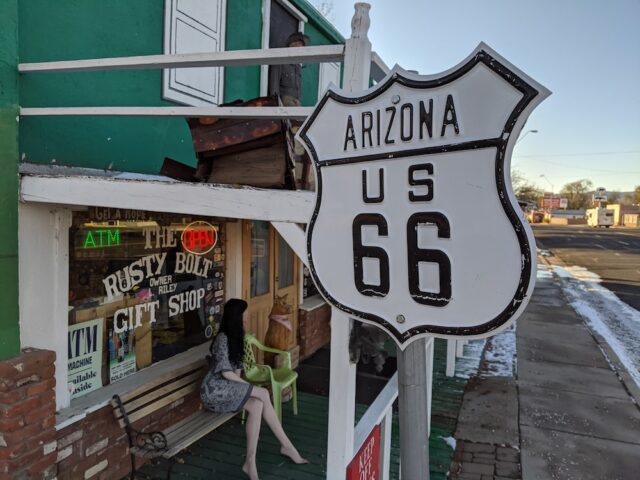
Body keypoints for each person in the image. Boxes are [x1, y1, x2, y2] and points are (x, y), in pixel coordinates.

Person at [200, 298, 308, 479]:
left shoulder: (238, 337)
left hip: (228, 387)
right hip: (213, 391)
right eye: (245, 312)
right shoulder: (222, 339)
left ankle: (250, 462)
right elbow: (226, 373)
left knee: (257, 405)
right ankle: (287, 446)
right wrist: (250, 388)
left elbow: (236, 371)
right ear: (236, 315)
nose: (247, 315)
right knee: (263, 393)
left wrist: (246, 388)